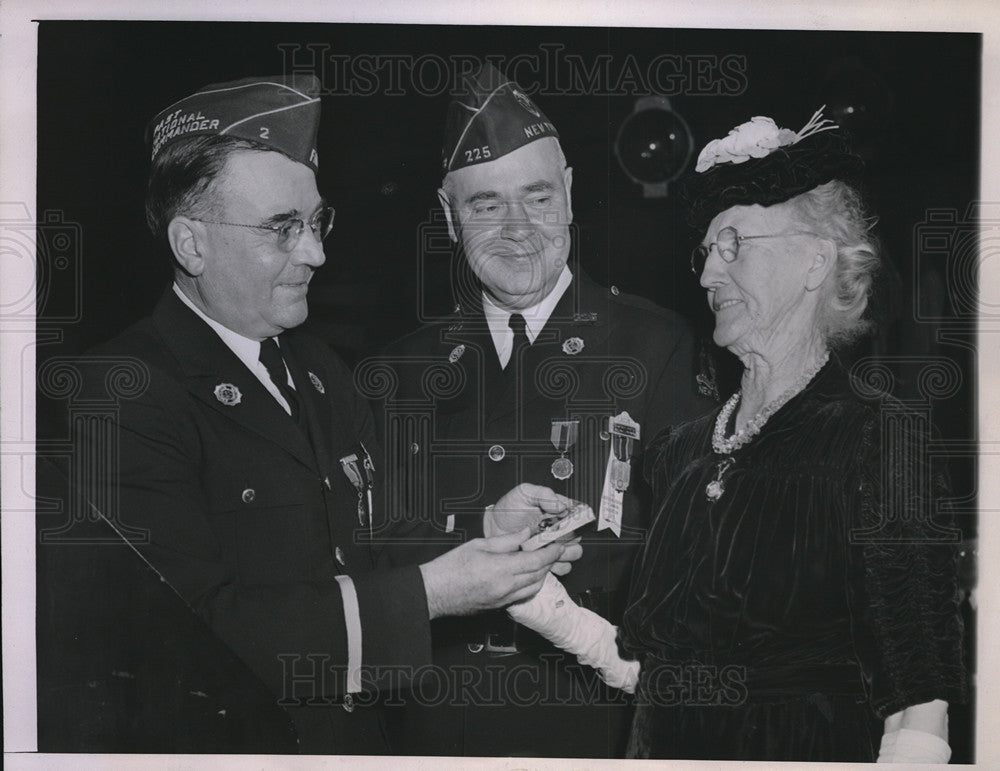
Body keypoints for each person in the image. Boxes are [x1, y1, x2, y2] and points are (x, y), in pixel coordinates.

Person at [71, 74, 581, 754]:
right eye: (283, 229)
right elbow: (193, 632)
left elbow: (365, 536)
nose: (315, 253)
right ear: (191, 244)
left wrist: (485, 535)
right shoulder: (125, 393)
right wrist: (430, 592)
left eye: (316, 223)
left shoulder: (316, 370)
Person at [503, 108, 968, 762]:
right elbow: (652, 669)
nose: (707, 275)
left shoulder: (878, 439)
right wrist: (534, 592)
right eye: (706, 251)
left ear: (814, 261)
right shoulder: (680, 452)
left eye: (735, 246)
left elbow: (917, 706)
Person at [364, 64, 710, 758]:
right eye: (487, 204)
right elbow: (365, 553)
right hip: (434, 729)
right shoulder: (394, 373)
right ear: (447, 211)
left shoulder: (656, 344)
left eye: (537, 196)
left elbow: (698, 559)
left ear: (572, 193)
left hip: (597, 723)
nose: (517, 229)